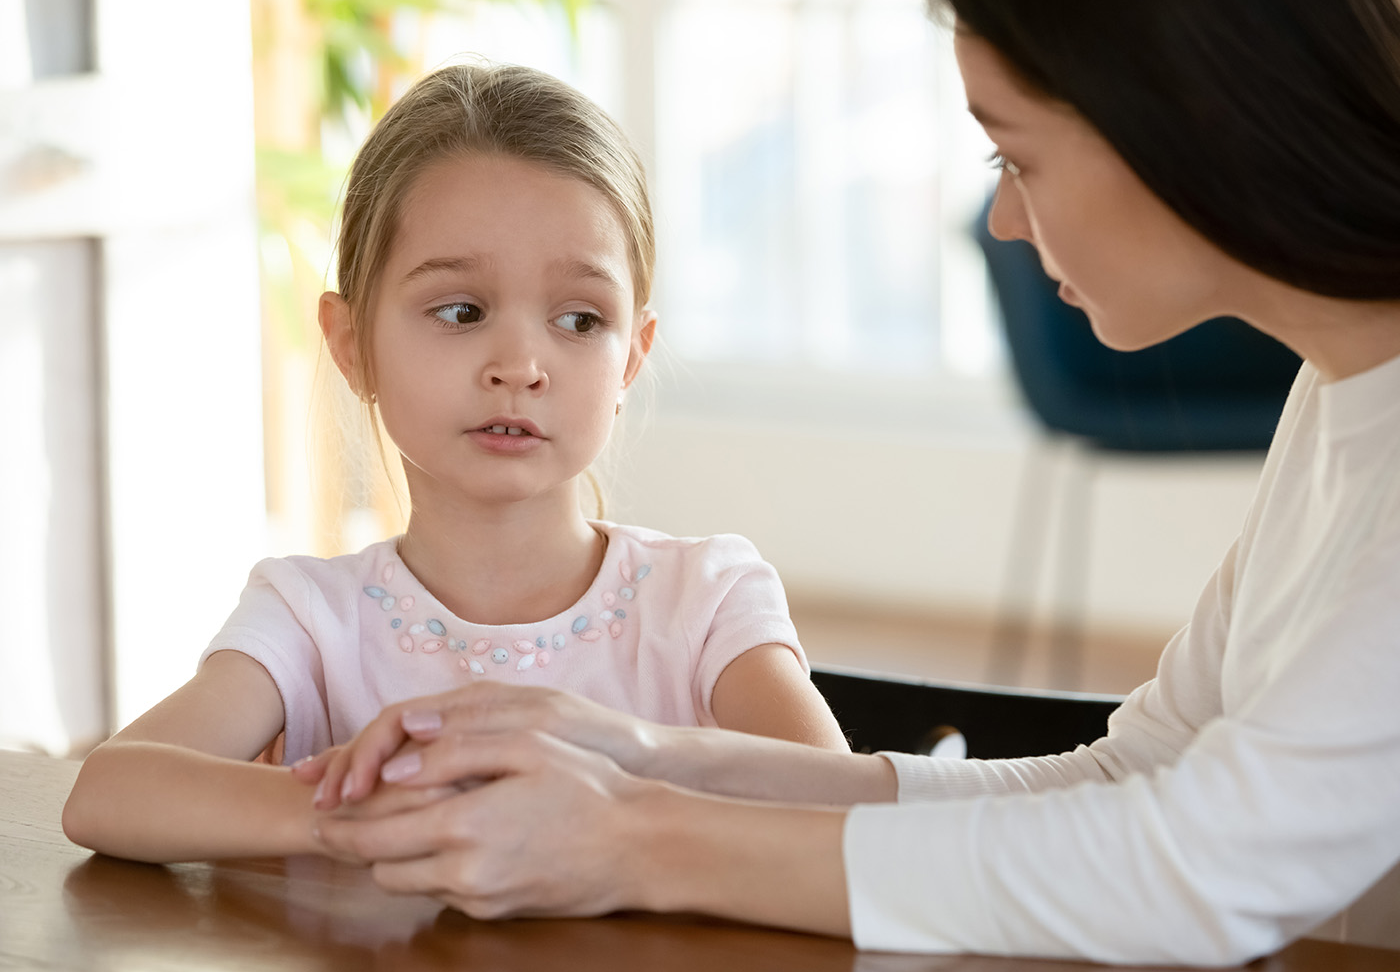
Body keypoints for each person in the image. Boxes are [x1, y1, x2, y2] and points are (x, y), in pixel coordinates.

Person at [293, 0, 1400, 965]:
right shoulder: (1339, 392)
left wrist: (636, 840)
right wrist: (653, 756)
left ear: (1184, 128)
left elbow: (1199, 869)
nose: (1004, 222)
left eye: (1014, 155)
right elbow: (1135, 774)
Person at [61, 63, 849, 864]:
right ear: (351, 344)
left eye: (580, 319)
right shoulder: (310, 619)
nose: (520, 364)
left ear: (631, 362)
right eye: (462, 311)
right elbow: (108, 794)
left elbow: (848, 812)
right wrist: (360, 816)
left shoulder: (707, 602)